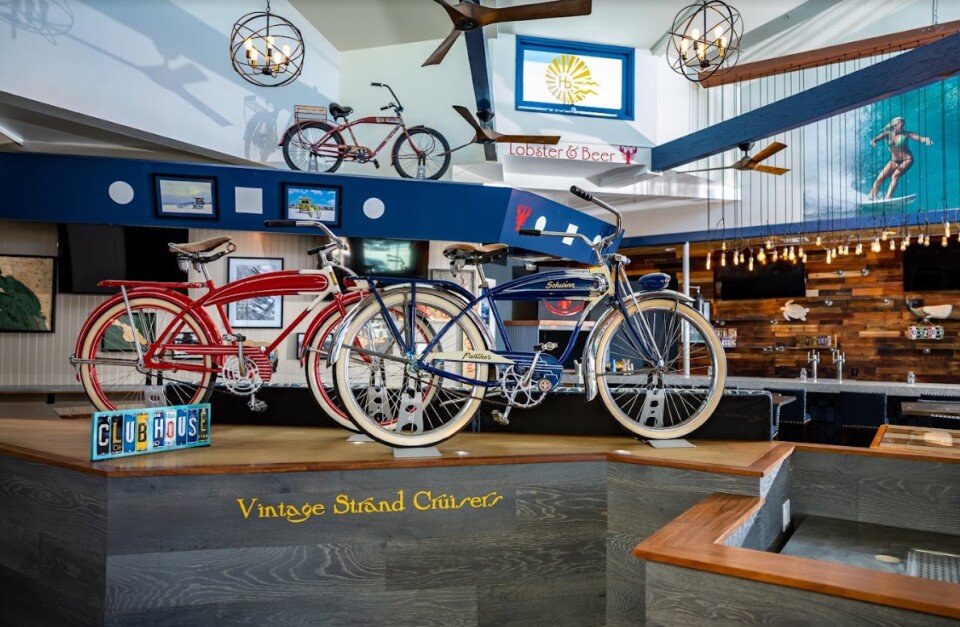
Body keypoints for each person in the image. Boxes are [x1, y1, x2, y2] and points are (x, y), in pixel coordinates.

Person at [868, 116, 932, 200]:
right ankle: (872, 196)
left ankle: (888, 197)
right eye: (902, 125)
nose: (903, 127)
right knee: (880, 178)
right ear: (895, 125)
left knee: (895, 175)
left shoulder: (906, 134)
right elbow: (875, 139)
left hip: (907, 159)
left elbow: (919, 138)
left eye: (904, 125)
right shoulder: (887, 134)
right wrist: (873, 141)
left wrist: (926, 138)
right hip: (894, 161)